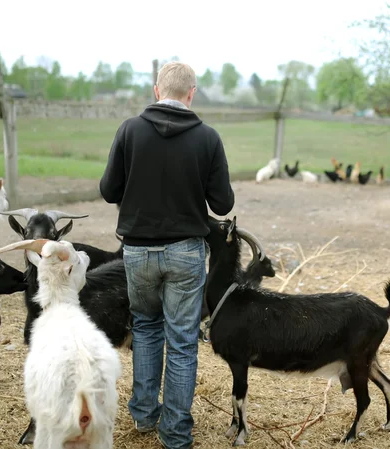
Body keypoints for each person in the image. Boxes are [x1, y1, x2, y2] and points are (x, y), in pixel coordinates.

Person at [99, 61, 234, 449]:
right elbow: (223, 203)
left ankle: (143, 415)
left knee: (144, 326)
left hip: (138, 250)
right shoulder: (208, 138)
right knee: (182, 340)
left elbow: (109, 190)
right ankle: (175, 433)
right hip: (187, 253)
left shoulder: (130, 130)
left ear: (157, 90)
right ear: (192, 93)